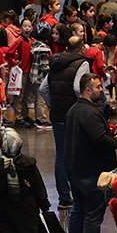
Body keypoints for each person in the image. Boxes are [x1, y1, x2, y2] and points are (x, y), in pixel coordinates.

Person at [65, 73, 117, 233]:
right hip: (92, 172)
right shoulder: (90, 112)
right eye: (97, 87)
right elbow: (100, 140)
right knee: (93, 213)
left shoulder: (74, 110)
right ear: (87, 90)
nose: (101, 90)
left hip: (75, 169)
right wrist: (116, 140)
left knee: (78, 210)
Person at [46, 36, 90, 207]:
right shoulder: (82, 63)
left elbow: (44, 88)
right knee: (79, 154)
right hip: (74, 115)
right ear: (81, 48)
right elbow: (78, 88)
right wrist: (82, 107)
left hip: (57, 116)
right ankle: (81, 193)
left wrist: (53, 104)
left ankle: (64, 197)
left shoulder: (55, 63)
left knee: (61, 155)